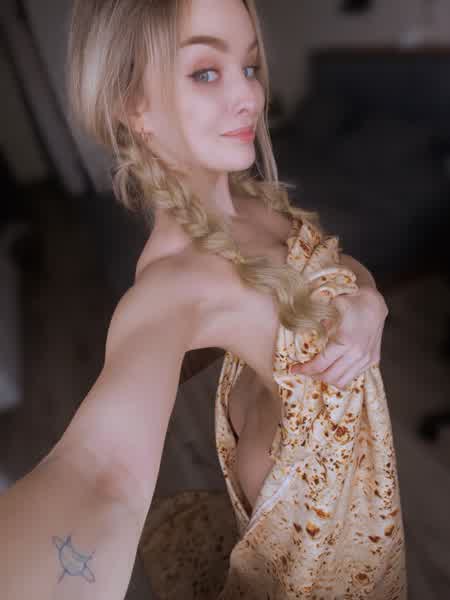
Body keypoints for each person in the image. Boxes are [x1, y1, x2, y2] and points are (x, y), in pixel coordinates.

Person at [0, 0, 407, 598]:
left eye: (250, 67)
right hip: (319, 539)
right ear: (132, 103)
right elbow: (101, 472)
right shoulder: (175, 282)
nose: (249, 97)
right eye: (206, 72)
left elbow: (334, 265)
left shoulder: (254, 203)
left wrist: (370, 302)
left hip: (366, 495)